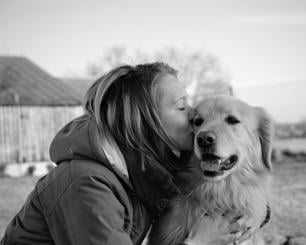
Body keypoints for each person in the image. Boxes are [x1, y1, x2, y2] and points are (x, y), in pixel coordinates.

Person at [1, 62, 265, 245]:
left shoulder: (143, 164)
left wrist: (257, 214)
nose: (196, 117)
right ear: (145, 120)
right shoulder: (86, 184)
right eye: (182, 107)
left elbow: (222, 192)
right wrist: (199, 241)